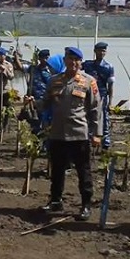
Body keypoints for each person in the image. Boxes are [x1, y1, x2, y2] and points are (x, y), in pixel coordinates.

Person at [41, 46, 102, 220]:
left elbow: (96, 109)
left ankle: (86, 205)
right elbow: (45, 103)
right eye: (70, 59)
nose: (73, 63)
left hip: (79, 134)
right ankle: (55, 200)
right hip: (58, 133)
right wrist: (32, 102)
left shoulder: (89, 81)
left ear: (80, 62)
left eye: (77, 60)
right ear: (65, 60)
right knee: (57, 170)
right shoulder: (54, 81)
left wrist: (97, 133)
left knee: (84, 172)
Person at [82, 42, 115, 149]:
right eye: (99, 50)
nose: (101, 53)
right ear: (95, 51)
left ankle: (106, 142)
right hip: (88, 95)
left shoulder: (108, 67)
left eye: (103, 51)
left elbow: (110, 86)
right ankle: (89, 139)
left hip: (102, 95)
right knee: (88, 117)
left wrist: (110, 102)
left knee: (104, 118)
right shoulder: (88, 64)